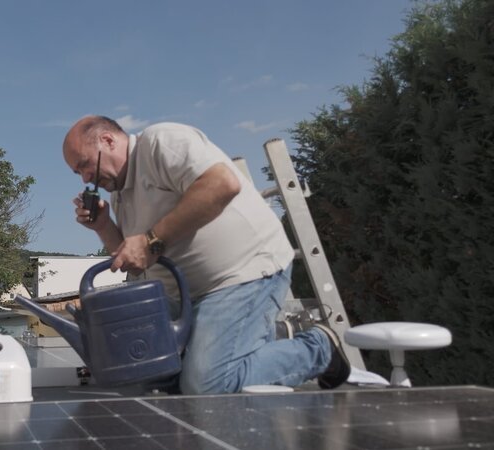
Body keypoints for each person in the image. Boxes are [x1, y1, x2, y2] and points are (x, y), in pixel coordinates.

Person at [62, 115, 351, 394]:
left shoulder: (160, 143)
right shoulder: (120, 195)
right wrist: (103, 226)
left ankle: (318, 348)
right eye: (78, 173)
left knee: (207, 383)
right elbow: (137, 262)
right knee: (150, 372)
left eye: (85, 165)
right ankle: (262, 338)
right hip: (187, 297)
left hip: (243, 274)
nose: (86, 177)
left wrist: (151, 240)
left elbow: (222, 183)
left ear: (108, 140)